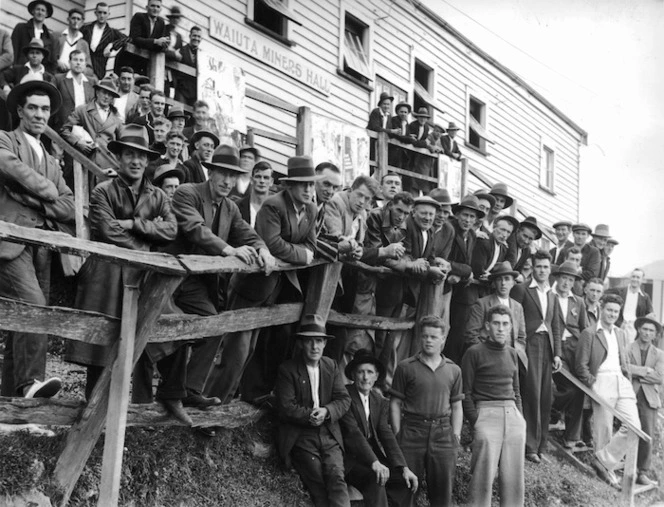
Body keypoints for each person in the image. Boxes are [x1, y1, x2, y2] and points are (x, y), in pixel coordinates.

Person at [169, 144, 275, 413]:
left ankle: (189, 390)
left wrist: (262, 249)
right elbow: (195, 230)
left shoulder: (230, 208)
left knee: (214, 325)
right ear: (211, 173)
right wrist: (229, 249)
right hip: (169, 279)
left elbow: (246, 234)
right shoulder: (187, 193)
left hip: (197, 285)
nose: (227, 181)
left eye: (233, 176)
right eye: (222, 174)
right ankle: (161, 395)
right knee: (164, 335)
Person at [205, 155, 316, 406]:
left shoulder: (310, 208)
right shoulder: (273, 205)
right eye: (303, 184)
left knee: (254, 349)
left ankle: (242, 398)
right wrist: (302, 255)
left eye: (311, 184)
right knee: (236, 350)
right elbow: (272, 244)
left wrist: (302, 253)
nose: (309, 189)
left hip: (277, 287)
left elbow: (312, 244)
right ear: (289, 185)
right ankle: (213, 401)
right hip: (251, 285)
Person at [0, 80, 74, 398]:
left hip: (41, 246)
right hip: (9, 241)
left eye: (45, 109)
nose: (40, 114)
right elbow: (9, 167)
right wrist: (47, 191)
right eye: (33, 107)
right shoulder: (5, 140)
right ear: (20, 110)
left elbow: (69, 206)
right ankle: (31, 383)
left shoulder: (49, 158)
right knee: (34, 305)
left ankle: (12, 402)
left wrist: (34, 200)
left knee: (25, 321)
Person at [275, 314, 351, 507]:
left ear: (325, 343)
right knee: (316, 479)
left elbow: (344, 399)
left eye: (319, 341)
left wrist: (326, 411)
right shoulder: (288, 369)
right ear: (301, 343)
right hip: (302, 435)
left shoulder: (330, 366)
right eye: (309, 341)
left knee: (336, 477)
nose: (314, 347)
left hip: (328, 433)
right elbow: (285, 407)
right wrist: (310, 416)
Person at [390, 315, 463, 507]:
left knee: (442, 491)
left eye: (433, 337)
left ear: (443, 339)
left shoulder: (453, 370)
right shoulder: (406, 367)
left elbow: (456, 406)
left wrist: (455, 435)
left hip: (442, 433)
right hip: (412, 431)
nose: (429, 341)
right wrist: (398, 433)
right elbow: (395, 402)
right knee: (406, 489)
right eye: (425, 336)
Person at [575, 293, 641, 489]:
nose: (612, 314)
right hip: (601, 380)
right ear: (601, 309)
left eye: (616, 311)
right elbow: (581, 366)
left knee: (634, 426)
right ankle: (606, 475)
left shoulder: (620, 333)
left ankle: (603, 462)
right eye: (609, 310)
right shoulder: (589, 333)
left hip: (620, 381)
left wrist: (626, 379)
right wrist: (592, 384)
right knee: (603, 429)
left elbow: (624, 362)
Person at [462, 305, 525, 507]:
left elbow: (516, 391)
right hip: (486, 414)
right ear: (487, 326)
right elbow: (465, 393)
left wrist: (520, 418)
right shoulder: (474, 353)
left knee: (514, 478)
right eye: (496, 323)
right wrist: (476, 421)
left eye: (505, 324)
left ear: (510, 327)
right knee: (482, 477)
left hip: (513, 416)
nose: (500, 328)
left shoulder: (513, 353)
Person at [340, 350, 418, 507]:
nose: (365, 377)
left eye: (370, 372)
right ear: (353, 375)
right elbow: (353, 434)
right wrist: (374, 462)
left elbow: (386, 434)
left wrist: (403, 467)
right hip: (351, 459)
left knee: (405, 482)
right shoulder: (345, 397)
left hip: (373, 458)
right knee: (376, 480)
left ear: (376, 376)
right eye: (361, 372)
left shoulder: (378, 400)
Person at [510, 250, 562, 463]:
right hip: (528, 345)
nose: (542, 271)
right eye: (538, 266)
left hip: (546, 349)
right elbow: (514, 318)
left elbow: (556, 326)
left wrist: (557, 353)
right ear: (532, 267)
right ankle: (529, 446)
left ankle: (541, 446)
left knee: (545, 396)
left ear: (550, 270)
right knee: (530, 394)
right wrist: (518, 347)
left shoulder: (552, 294)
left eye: (545, 267)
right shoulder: (522, 290)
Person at [550, 261, 588, 449]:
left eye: (570, 279)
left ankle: (571, 436)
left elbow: (586, 330)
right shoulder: (549, 296)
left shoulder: (578, 301)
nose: (566, 283)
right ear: (557, 278)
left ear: (574, 282)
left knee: (580, 389)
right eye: (563, 278)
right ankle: (553, 411)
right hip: (555, 348)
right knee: (569, 388)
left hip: (574, 350)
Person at [464, 261, 527, 372]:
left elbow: (521, 337)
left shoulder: (518, 307)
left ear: (513, 282)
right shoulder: (482, 304)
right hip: (486, 360)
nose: (503, 283)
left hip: (509, 360)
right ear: (494, 283)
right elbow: (471, 334)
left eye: (507, 279)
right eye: (499, 279)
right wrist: (485, 355)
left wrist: (515, 353)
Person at [444, 195, 484, 364]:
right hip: (444, 288)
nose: (467, 220)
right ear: (458, 214)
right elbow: (444, 259)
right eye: (465, 215)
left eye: (472, 217)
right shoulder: (449, 229)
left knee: (459, 334)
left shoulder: (472, 236)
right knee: (445, 331)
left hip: (460, 290)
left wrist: (463, 273)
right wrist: (466, 271)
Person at [626, 313, 663, 486]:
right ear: (639, 330)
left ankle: (642, 472)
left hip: (649, 398)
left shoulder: (659, 354)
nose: (647, 333)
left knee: (647, 434)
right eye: (645, 329)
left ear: (655, 334)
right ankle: (626, 467)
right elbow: (623, 367)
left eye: (651, 331)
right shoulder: (628, 347)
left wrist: (636, 373)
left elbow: (659, 377)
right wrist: (645, 370)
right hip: (629, 394)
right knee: (627, 430)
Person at [61, 77, 122, 169]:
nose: (106, 97)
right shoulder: (83, 110)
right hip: (88, 160)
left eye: (110, 95)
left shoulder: (116, 117)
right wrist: (78, 142)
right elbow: (64, 130)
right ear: (97, 92)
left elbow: (121, 142)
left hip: (109, 162)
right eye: (104, 92)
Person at [52, 49, 97, 132]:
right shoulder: (59, 79)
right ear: (69, 62)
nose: (78, 63)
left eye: (81, 60)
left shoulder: (92, 82)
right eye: (75, 60)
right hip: (64, 126)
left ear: (85, 64)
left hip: (86, 127)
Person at [81, 2, 128, 80]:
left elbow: (128, 39)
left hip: (98, 71)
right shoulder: (86, 29)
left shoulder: (111, 32)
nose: (102, 15)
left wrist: (112, 45)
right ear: (95, 13)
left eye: (104, 13)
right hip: (83, 68)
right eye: (99, 12)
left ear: (108, 14)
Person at [123, 0, 168, 77]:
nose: (155, 9)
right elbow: (136, 39)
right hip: (129, 60)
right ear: (147, 7)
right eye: (152, 6)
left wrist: (164, 43)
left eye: (158, 7)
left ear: (161, 9)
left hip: (144, 64)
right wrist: (155, 41)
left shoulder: (161, 22)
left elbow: (159, 46)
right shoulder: (139, 17)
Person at [11, 0, 55, 73]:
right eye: (37, 9)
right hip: (20, 70)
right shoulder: (21, 28)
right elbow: (14, 50)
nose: (40, 12)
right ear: (33, 11)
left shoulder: (49, 37)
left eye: (43, 10)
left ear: (46, 14)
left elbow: (52, 61)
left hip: (40, 74)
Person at [614, 268, 653, 343]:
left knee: (630, 351)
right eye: (633, 276)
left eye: (638, 277)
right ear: (630, 277)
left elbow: (650, 314)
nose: (635, 279)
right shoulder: (620, 291)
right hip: (619, 325)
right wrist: (619, 323)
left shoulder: (645, 297)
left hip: (634, 329)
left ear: (642, 280)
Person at [52, 8, 92, 75]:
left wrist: (81, 69)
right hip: (56, 73)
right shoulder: (57, 36)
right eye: (73, 18)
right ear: (68, 19)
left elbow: (89, 67)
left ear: (82, 22)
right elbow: (49, 55)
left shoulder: (84, 43)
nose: (76, 21)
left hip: (74, 76)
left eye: (78, 19)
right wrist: (57, 62)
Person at [405, 107, 434, 194]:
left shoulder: (426, 128)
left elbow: (421, 141)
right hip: (408, 154)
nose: (422, 119)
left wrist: (423, 143)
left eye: (424, 117)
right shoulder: (412, 125)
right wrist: (424, 144)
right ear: (417, 117)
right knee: (408, 176)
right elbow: (413, 142)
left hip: (417, 156)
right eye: (421, 117)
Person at [236, 161, 274, 227]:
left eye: (266, 178)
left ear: (271, 182)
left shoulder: (277, 209)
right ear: (251, 180)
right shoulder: (237, 206)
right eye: (258, 177)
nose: (262, 181)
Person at [174, 26, 202, 107]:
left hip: (195, 91)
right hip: (182, 89)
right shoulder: (182, 50)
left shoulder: (202, 55)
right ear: (190, 36)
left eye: (199, 36)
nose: (196, 38)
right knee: (179, 111)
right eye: (194, 35)